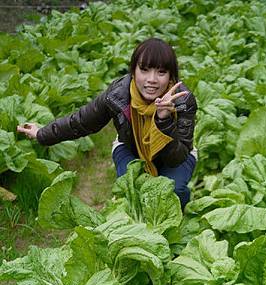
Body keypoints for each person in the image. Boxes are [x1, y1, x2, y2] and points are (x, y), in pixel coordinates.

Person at [17, 37, 198, 207]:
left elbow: (176, 158)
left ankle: (179, 214)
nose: (151, 80)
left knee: (173, 191)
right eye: (144, 69)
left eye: (161, 72)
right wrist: (42, 134)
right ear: (133, 71)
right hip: (130, 148)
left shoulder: (182, 101)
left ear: (170, 76)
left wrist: (163, 120)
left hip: (176, 153)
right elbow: (81, 122)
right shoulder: (117, 94)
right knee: (129, 188)